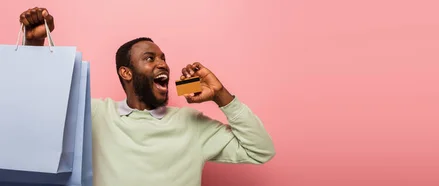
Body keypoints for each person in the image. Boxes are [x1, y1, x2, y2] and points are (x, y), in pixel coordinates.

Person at [19, 7, 276, 186]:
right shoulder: (96, 114)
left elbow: (260, 151)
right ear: (126, 73)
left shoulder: (190, 122)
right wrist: (34, 48)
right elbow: (37, 115)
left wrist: (221, 95)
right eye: (150, 59)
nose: (162, 64)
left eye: (163, 58)